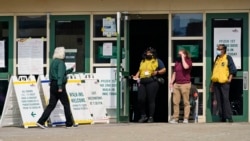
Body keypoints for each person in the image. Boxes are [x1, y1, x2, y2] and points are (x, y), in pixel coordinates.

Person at [36, 47, 76, 129]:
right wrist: (60, 86)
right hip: (59, 85)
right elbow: (60, 76)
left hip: (53, 85)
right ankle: (69, 123)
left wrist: (71, 69)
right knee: (66, 104)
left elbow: (55, 74)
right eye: (64, 53)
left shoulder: (53, 62)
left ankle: (41, 121)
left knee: (51, 105)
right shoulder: (61, 63)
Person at [133, 47, 166, 123]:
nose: (148, 54)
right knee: (140, 99)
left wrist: (157, 72)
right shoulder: (143, 61)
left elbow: (164, 69)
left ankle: (151, 117)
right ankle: (143, 115)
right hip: (142, 81)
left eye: (150, 53)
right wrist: (136, 75)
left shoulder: (157, 60)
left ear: (153, 54)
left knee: (151, 99)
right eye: (147, 53)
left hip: (152, 81)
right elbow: (140, 70)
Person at [210, 44, 237, 122]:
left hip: (224, 82)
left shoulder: (228, 58)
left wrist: (230, 79)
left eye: (219, 48)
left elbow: (232, 69)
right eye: (217, 48)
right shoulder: (217, 58)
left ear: (224, 50)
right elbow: (214, 71)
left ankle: (229, 117)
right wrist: (212, 84)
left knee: (225, 99)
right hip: (216, 83)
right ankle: (222, 117)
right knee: (219, 100)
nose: (218, 50)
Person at [169, 49, 192, 124]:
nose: (179, 56)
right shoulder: (177, 62)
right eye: (179, 54)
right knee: (175, 102)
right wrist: (171, 82)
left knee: (186, 102)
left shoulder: (188, 61)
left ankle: (186, 118)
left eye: (181, 54)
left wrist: (183, 58)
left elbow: (185, 67)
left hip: (185, 84)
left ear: (185, 54)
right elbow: (175, 73)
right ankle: (175, 118)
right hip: (177, 84)